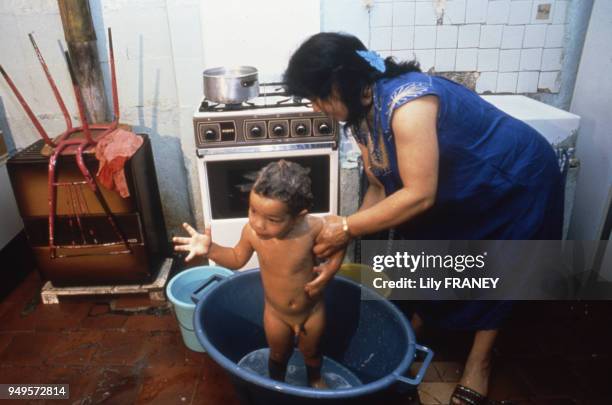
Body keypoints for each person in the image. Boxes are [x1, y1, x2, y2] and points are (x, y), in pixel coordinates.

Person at [284, 32, 564, 404]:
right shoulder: (359, 114)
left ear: (340, 83)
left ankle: (478, 362)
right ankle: (421, 323)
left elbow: (419, 194)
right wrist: (345, 239)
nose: (316, 107)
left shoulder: (409, 104)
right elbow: (379, 187)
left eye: (317, 97)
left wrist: (346, 227)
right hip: (463, 186)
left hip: (513, 179)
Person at [173, 160, 340, 389]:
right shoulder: (251, 232)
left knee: (311, 353)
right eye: (252, 210)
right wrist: (210, 249)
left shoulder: (313, 228)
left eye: (272, 220)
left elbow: (342, 239)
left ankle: (314, 378)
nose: (259, 224)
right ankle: (276, 384)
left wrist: (331, 269)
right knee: (278, 355)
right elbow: (236, 258)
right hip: (276, 315)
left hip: (312, 312)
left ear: (298, 217)